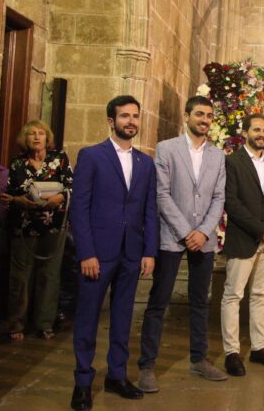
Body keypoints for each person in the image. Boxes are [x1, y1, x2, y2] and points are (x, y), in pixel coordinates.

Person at [70, 96, 157, 411]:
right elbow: (79, 208)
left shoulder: (145, 163)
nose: (131, 121)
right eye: (124, 116)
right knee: (88, 318)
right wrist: (86, 253)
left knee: (123, 317)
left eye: (135, 116)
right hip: (98, 254)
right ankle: (82, 382)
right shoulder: (92, 156)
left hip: (131, 253)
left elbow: (149, 209)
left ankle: (117, 375)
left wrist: (149, 251)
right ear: (111, 121)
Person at [136, 96, 227, 393]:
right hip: (172, 236)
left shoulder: (218, 155)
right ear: (186, 116)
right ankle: (147, 365)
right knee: (159, 300)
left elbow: (218, 198)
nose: (204, 119)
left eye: (209, 115)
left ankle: (199, 359)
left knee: (201, 301)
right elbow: (161, 194)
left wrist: (202, 232)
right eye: (199, 114)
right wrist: (188, 231)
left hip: (205, 238)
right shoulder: (167, 148)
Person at [221, 114, 264, 376]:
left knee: (261, 295)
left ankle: (259, 348)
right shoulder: (232, 162)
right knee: (233, 295)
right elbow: (231, 202)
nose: (261, 134)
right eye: (256, 129)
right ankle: (232, 352)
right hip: (244, 239)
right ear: (245, 132)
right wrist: (261, 229)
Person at [0, 120, 73, 341]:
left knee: (49, 274)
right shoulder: (17, 164)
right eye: (31, 134)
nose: (37, 137)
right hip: (24, 226)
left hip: (53, 225)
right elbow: (9, 194)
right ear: (25, 139)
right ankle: (16, 324)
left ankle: (44, 323)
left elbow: (71, 186)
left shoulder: (59, 159)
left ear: (47, 138)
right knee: (20, 277)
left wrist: (59, 197)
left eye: (41, 133)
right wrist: (19, 200)